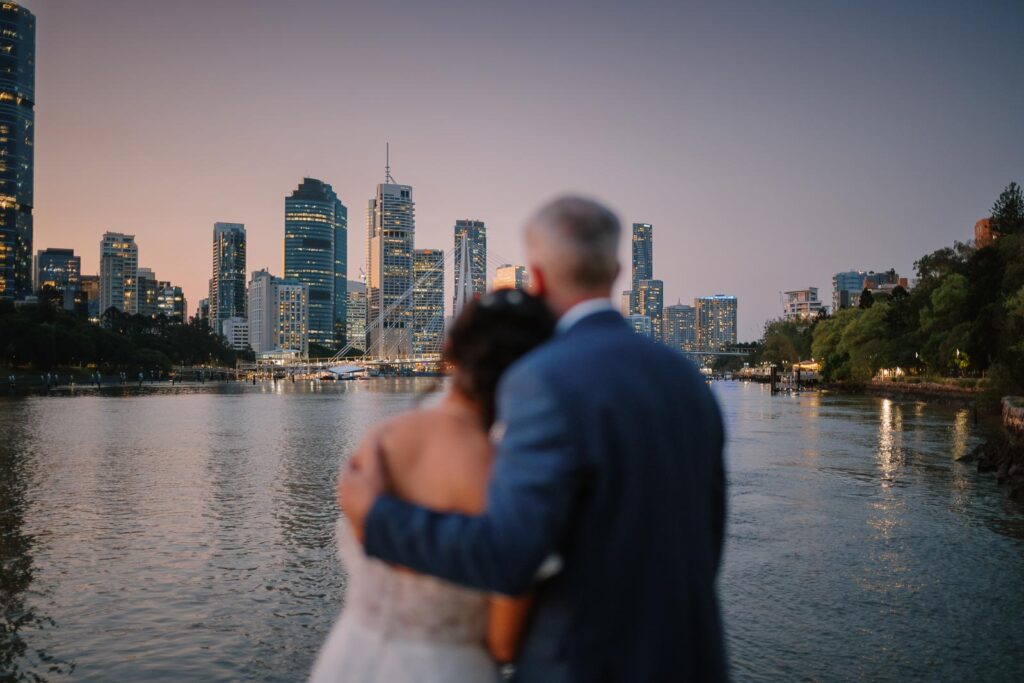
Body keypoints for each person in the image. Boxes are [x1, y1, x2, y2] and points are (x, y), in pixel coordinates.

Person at [342, 196, 728, 682]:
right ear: (616, 270)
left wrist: (377, 517)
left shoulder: (541, 380)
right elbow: (708, 539)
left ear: (538, 277)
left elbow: (508, 557)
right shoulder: (686, 378)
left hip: (580, 665)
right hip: (693, 661)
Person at [310, 289, 557, 682]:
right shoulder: (506, 478)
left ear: (449, 349)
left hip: (349, 657)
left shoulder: (380, 442)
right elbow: (504, 644)